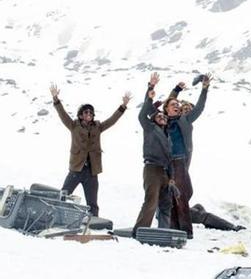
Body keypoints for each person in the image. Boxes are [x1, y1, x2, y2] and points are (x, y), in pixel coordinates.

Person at [49, 84, 130, 216]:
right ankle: (53, 216)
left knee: (92, 202)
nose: (89, 114)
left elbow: (112, 120)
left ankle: (93, 223)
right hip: (76, 168)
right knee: (63, 195)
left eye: (91, 112)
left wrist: (123, 106)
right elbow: (62, 114)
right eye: (86, 112)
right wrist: (56, 99)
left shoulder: (98, 127)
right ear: (80, 115)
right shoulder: (73, 125)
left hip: (92, 171)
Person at [158, 76, 210, 238]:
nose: (177, 106)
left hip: (179, 161)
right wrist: (176, 90)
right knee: (169, 196)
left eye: (178, 105)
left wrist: (205, 89)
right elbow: (168, 101)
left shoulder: (184, 119)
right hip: (165, 163)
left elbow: (199, 108)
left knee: (181, 195)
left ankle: (186, 231)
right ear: (167, 109)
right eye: (174, 105)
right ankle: (173, 227)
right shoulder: (162, 120)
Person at [133, 73, 176, 231]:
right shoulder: (150, 128)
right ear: (153, 119)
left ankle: (163, 231)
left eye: (164, 117)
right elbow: (142, 114)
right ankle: (140, 230)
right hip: (152, 169)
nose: (163, 117)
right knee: (151, 201)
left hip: (165, 171)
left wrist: (171, 178)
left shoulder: (167, 136)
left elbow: (170, 158)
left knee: (166, 204)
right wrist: (150, 90)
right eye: (159, 116)